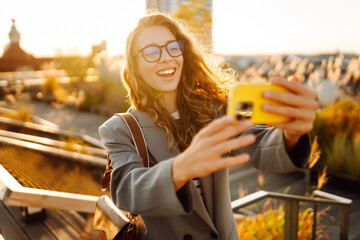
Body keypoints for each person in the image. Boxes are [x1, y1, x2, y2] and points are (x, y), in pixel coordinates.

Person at [99, 13, 318, 240]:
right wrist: (181, 168)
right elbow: (128, 191)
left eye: (172, 47)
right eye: (152, 52)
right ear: (134, 65)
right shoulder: (120, 129)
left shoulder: (211, 111)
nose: (166, 58)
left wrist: (292, 134)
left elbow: (257, 143)